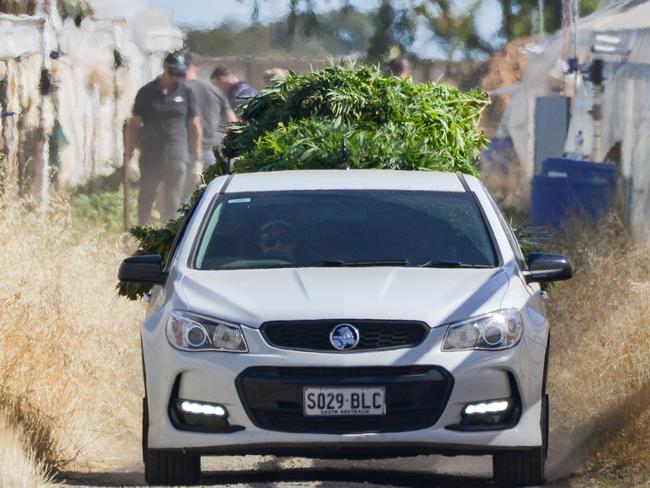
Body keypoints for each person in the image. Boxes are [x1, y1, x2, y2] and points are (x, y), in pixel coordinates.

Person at [124, 50, 202, 225]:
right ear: (165, 68)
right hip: (151, 155)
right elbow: (134, 125)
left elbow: (194, 125)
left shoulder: (186, 93)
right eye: (173, 72)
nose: (177, 78)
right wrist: (129, 157)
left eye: (180, 74)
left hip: (176, 155)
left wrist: (197, 158)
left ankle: (169, 237)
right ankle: (144, 234)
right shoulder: (146, 92)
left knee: (173, 201)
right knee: (146, 196)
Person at [181, 53, 238, 201]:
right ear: (194, 68)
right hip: (213, 151)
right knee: (211, 195)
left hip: (185, 151)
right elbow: (232, 120)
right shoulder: (213, 89)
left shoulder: (178, 90)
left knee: (184, 199)